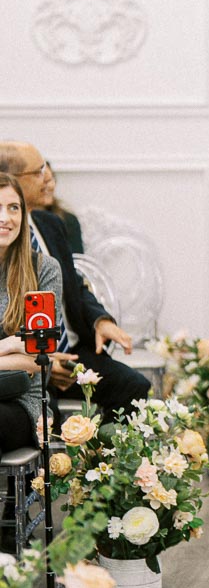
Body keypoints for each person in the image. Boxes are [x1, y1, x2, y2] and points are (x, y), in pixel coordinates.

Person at [0, 142, 150, 419]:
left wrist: (100, 320)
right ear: (13, 180)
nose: (49, 179)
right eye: (39, 172)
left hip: (73, 352)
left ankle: (110, 459)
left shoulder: (51, 224)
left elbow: (75, 284)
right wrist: (43, 362)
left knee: (134, 386)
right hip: (26, 361)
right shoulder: (5, 239)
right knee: (45, 413)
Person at [0, 172, 62, 447]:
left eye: (14, 208)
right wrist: (11, 344)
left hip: (22, 402)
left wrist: (24, 349)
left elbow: (38, 356)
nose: (6, 218)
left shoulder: (43, 269)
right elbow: (23, 352)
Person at [40, 162, 84, 254]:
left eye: (51, 179)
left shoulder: (68, 221)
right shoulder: (13, 222)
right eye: (44, 181)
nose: (50, 186)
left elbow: (75, 263)